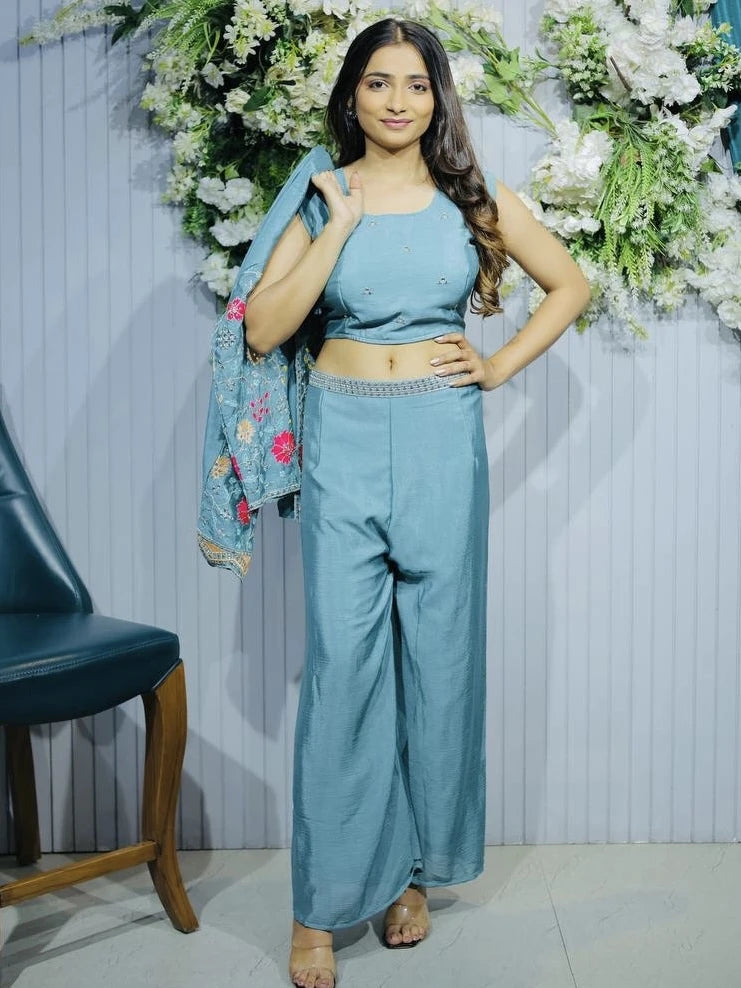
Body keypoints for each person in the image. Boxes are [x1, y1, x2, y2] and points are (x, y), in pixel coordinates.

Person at [243, 17, 591, 988]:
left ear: (438, 99)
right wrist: (340, 223)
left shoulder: (470, 199)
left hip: (441, 438)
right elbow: (267, 328)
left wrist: (496, 367)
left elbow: (569, 282)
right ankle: (318, 910)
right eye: (379, 82)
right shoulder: (320, 194)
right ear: (352, 94)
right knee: (344, 666)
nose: (399, 101)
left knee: (438, 662)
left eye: (418, 85)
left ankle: (414, 876)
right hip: (343, 437)